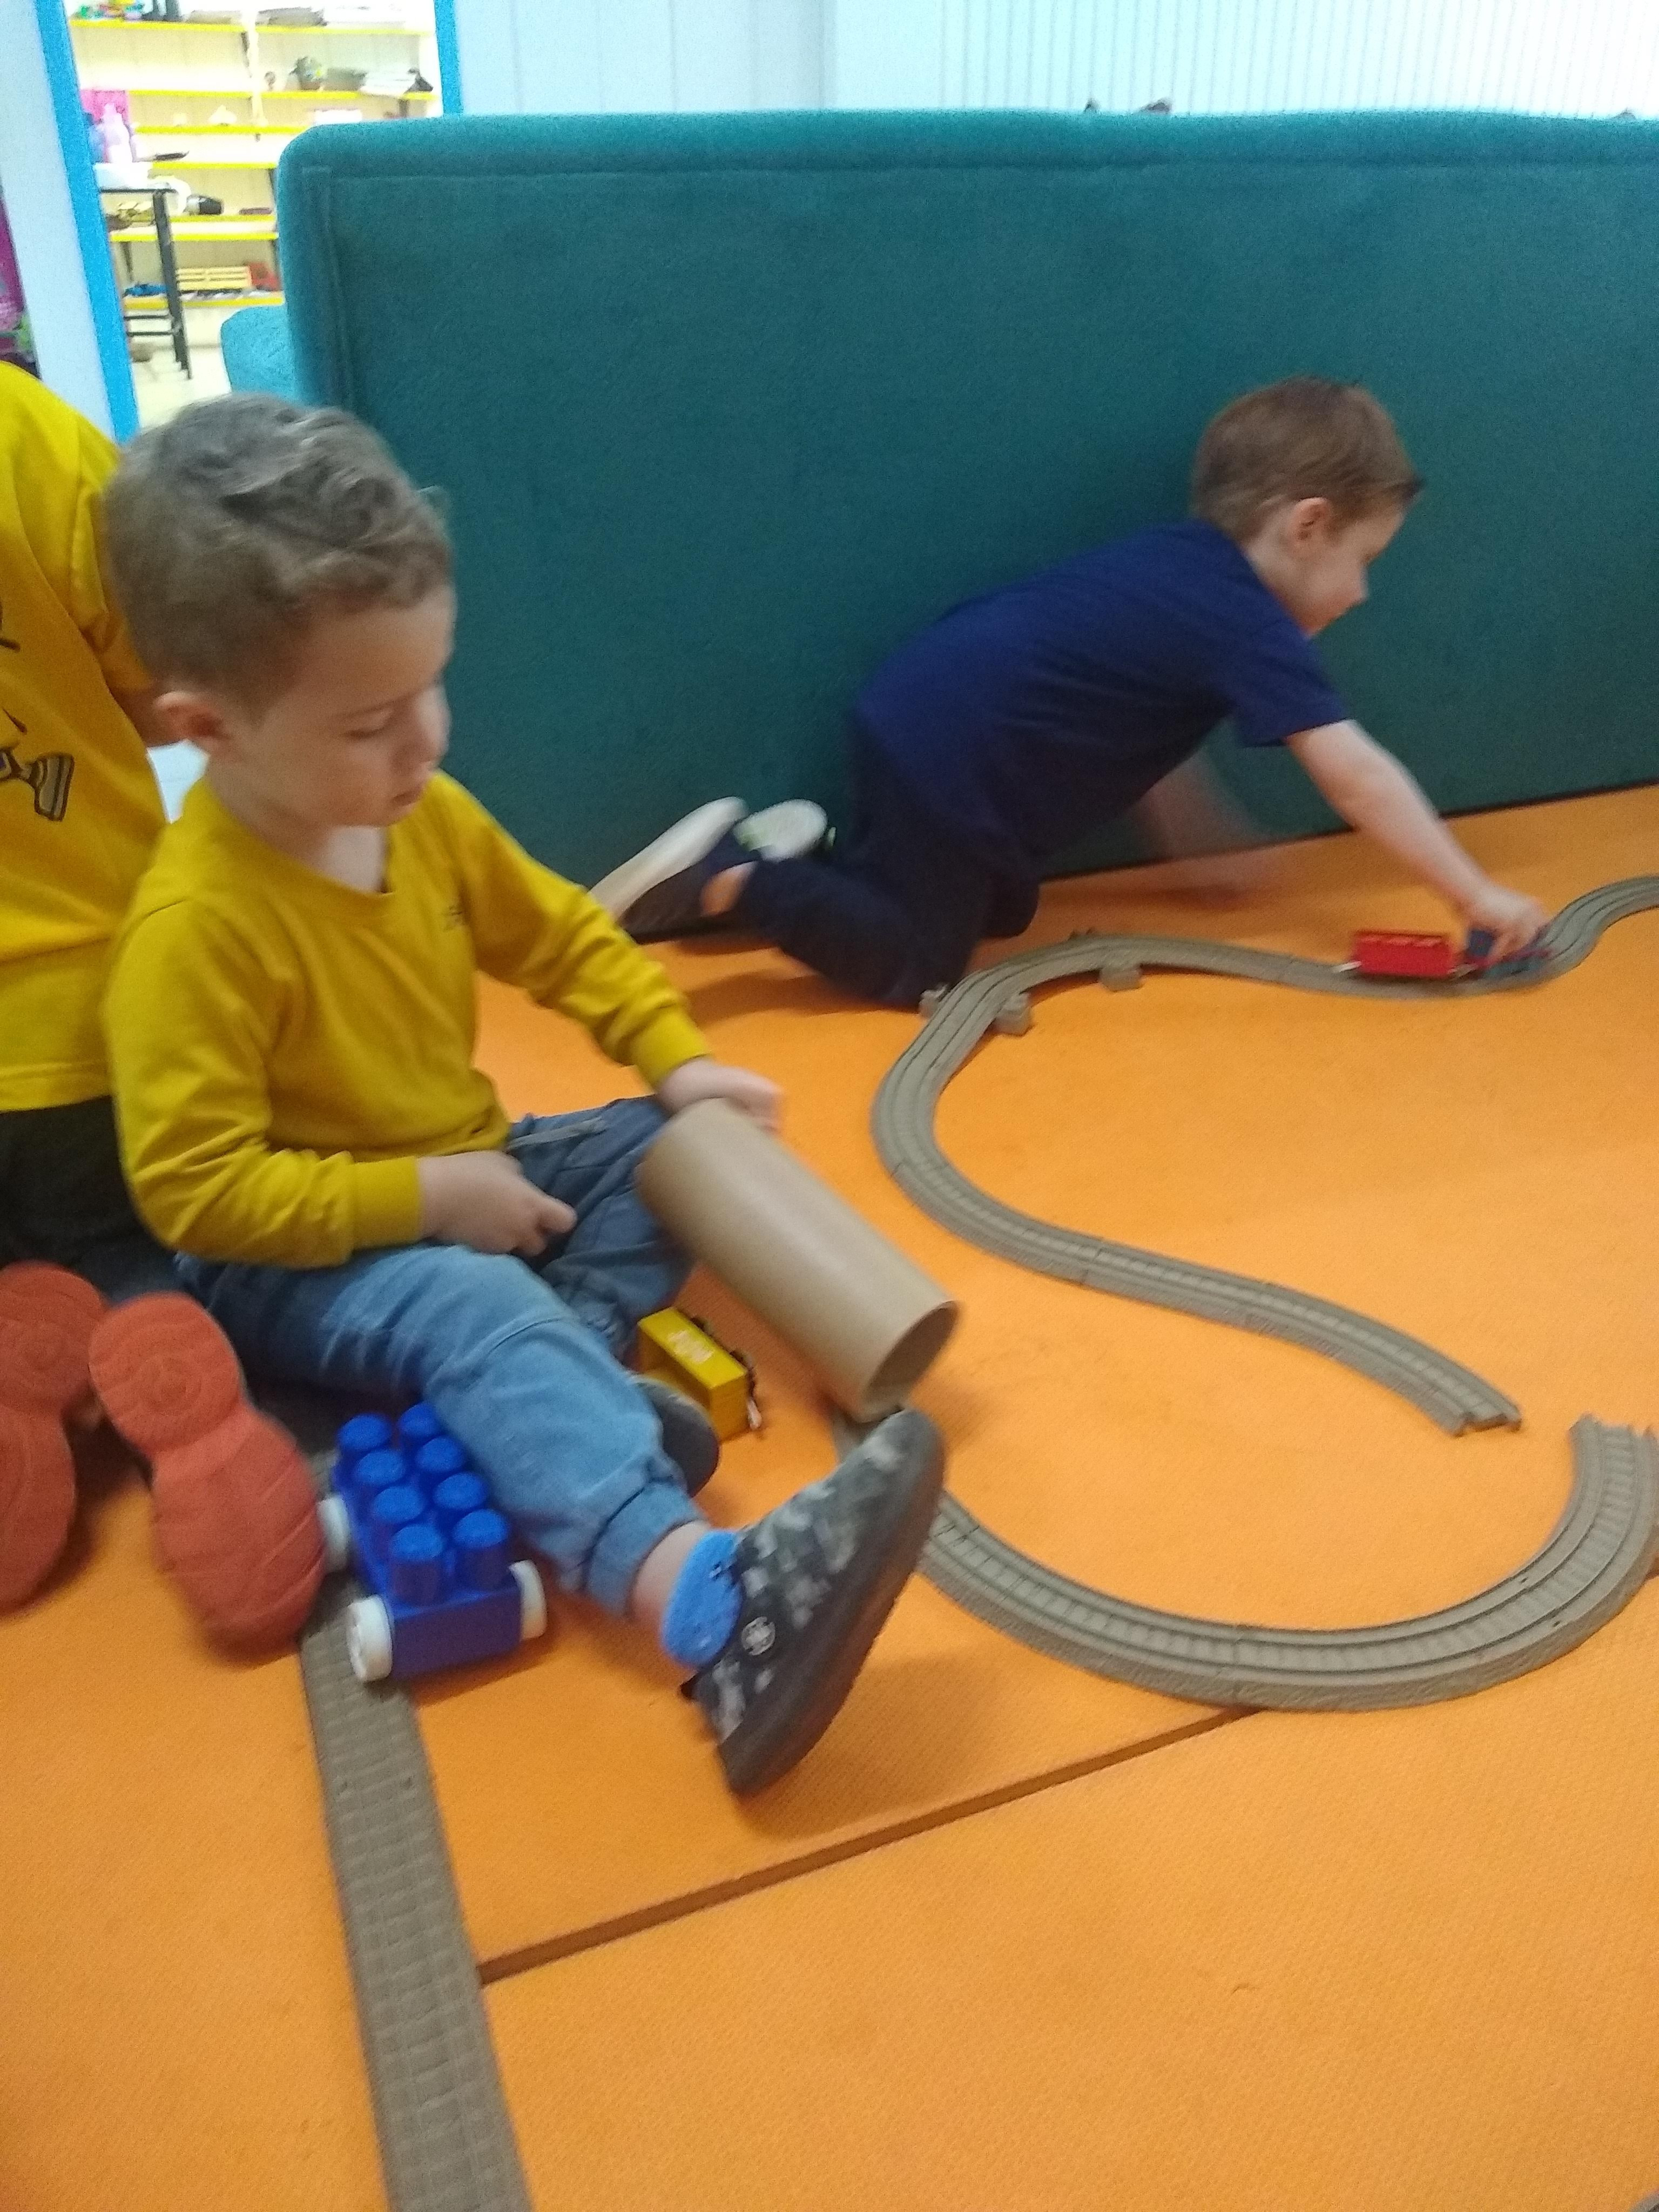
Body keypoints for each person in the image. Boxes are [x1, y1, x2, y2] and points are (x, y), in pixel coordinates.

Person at [100, 394, 944, 1794]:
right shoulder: (194, 933)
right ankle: (708, 1606)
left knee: (662, 1158)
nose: (425, 742)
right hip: (290, 1259)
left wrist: (675, 1057)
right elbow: (198, 1195)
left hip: (466, 1167)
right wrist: (432, 1198)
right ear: (208, 727)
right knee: (475, 1306)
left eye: (432, 690)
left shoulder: (416, 814)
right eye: (371, 722)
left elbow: (559, 933)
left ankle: (546, 1396)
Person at [601, 377, 1548, 1006]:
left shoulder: (1184, 569)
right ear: (1307, 527)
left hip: (926, 713)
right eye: (1363, 559)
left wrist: (1200, 843)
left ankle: (808, 858)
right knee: (917, 966)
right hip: (954, 754)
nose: (1363, 593)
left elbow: (1131, 733)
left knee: (999, 911)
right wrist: (1471, 892)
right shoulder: (1246, 618)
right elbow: (1356, 776)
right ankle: (733, 876)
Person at [0, 364, 315, 1623]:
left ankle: (23, 1350)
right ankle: (164, 1361)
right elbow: (151, 693)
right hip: (84, 1002)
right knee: (123, 1235)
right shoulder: (25, 435)